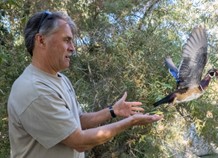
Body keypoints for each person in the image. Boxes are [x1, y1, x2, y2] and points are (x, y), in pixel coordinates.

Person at [7, 11, 163, 158]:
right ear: (41, 40)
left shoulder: (59, 79)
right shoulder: (34, 90)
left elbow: (76, 120)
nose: (73, 48)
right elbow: (79, 141)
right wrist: (131, 122)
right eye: (66, 40)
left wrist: (113, 111)